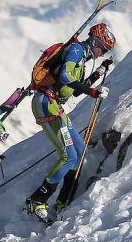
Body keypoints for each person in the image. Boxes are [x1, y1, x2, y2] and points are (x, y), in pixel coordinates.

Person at [25, 22, 116, 223]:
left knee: (79, 151)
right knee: (68, 155)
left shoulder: (82, 59)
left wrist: (99, 72)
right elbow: (65, 77)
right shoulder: (76, 50)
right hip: (46, 102)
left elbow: (74, 91)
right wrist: (93, 92)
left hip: (54, 105)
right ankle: (37, 199)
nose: (103, 53)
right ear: (95, 42)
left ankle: (62, 200)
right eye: (103, 48)